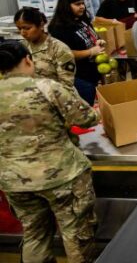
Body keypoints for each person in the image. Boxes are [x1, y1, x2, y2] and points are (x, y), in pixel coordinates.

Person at [0, 40, 101, 263]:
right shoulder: (46, 88)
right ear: (28, 59)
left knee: (34, 235)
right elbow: (86, 118)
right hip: (61, 176)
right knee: (75, 235)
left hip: (15, 182)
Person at [49, 0, 105, 105]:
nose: (82, 7)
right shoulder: (58, 28)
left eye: (82, 3)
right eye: (77, 4)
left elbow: (91, 35)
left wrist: (98, 41)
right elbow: (64, 54)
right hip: (79, 78)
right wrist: (90, 52)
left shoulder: (81, 20)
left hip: (93, 75)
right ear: (66, 5)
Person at [14, 7, 75, 88]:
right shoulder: (20, 47)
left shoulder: (59, 49)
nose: (22, 33)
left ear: (41, 25)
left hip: (53, 97)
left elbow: (66, 86)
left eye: (27, 28)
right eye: (19, 29)